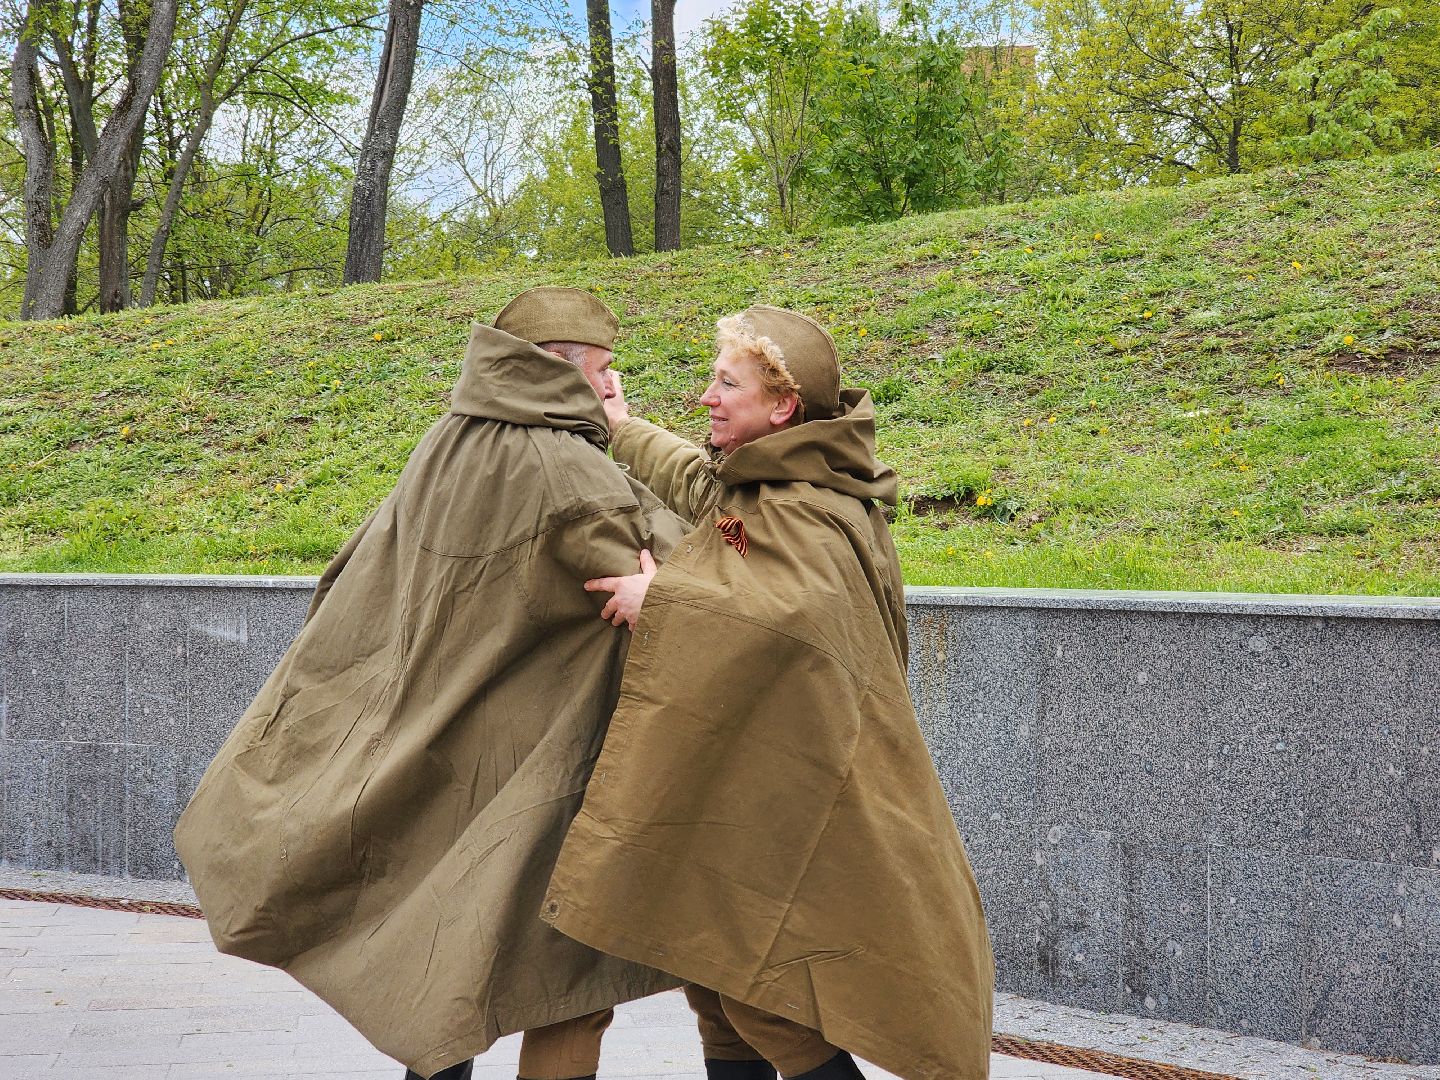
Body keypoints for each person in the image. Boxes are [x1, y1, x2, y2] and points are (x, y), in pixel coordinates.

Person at [174, 287, 690, 1080]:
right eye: (605, 369)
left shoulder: (449, 440)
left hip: (441, 739)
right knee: (567, 982)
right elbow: (683, 564)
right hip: (529, 760)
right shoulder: (566, 470)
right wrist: (637, 456)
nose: (613, 383)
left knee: (434, 948)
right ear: (564, 371)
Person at [542, 306, 995, 1080]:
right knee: (720, 984)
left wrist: (664, 600)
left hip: (804, 788)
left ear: (782, 407)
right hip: (760, 777)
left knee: (768, 1000)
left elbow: (793, 615)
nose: (707, 397)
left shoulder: (808, 506)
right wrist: (622, 425)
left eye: (727, 384)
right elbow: (715, 505)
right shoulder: (773, 483)